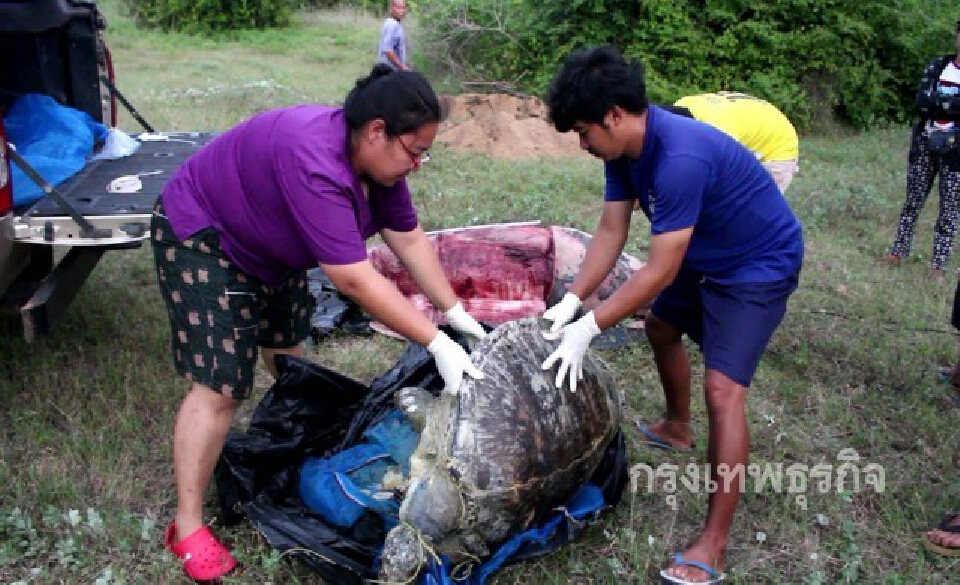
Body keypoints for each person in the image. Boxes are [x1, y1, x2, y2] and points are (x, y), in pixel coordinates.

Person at [151, 65, 487, 582]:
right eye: (415, 150)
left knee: (289, 357)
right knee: (220, 386)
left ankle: (288, 449)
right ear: (377, 131)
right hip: (204, 235)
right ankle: (188, 524)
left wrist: (456, 312)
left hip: (271, 247)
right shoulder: (315, 161)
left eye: (426, 152)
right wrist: (436, 341)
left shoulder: (381, 166)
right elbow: (353, 279)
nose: (419, 163)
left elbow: (411, 239)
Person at [541, 47, 803, 584]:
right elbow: (612, 230)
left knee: (724, 390)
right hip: (705, 250)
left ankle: (713, 545)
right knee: (661, 327)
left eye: (584, 132)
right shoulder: (623, 153)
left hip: (756, 263)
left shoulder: (680, 156)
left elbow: (659, 269)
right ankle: (677, 428)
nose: (583, 144)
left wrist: (590, 328)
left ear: (614, 114)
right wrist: (571, 301)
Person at [881, 19, 960, 279]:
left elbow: (932, 101)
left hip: (956, 154)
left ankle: (938, 265)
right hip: (925, 144)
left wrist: (939, 102)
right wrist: (951, 104)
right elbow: (921, 102)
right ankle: (898, 251)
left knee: (949, 209)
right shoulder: (938, 66)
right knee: (913, 200)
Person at [668, 92, 800, 193]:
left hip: (778, 148)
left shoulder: (719, 130)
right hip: (753, 126)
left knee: (754, 210)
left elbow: (726, 173)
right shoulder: (682, 105)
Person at [377, 0, 410, 71]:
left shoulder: (394, 24)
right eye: (399, 8)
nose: (403, 11)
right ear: (392, 8)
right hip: (388, 71)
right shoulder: (392, 25)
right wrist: (402, 66)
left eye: (404, 8)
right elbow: (387, 50)